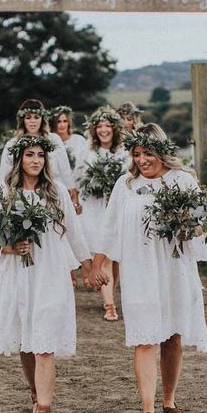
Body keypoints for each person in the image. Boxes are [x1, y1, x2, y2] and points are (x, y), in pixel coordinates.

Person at [90, 123, 207, 413]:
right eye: (136, 154)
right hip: (140, 269)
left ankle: (169, 400)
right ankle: (147, 409)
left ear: (162, 151)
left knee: (172, 336)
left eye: (148, 153)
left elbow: (201, 224)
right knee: (144, 337)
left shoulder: (182, 180)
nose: (142, 160)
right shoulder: (126, 185)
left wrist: (190, 227)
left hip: (174, 268)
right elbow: (109, 226)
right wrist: (97, 264)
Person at [0, 135, 94, 413]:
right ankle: (35, 393)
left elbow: (74, 230)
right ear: (18, 159)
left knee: (45, 343)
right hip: (18, 274)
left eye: (40, 156)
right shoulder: (2, 193)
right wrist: (9, 246)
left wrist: (88, 265)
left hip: (49, 274)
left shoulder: (56, 191)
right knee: (26, 342)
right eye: (30, 155)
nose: (36, 160)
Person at [80, 107, 130, 321]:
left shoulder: (124, 153)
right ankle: (109, 304)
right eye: (99, 126)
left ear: (114, 128)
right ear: (94, 130)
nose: (103, 130)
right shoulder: (90, 152)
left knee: (116, 258)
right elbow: (81, 179)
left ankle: (109, 293)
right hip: (95, 207)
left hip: (118, 206)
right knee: (104, 255)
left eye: (107, 126)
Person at [0, 99, 78, 204]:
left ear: (42, 119)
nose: (32, 121)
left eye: (36, 117)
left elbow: (65, 169)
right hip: (22, 197)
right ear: (23, 120)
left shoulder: (54, 139)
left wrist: (72, 192)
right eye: (28, 117)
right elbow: (4, 175)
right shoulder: (13, 144)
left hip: (52, 194)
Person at [50, 104, 88, 286]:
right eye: (58, 121)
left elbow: (83, 164)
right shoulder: (52, 141)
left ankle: (84, 266)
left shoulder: (79, 141)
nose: (62, 125)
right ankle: (70, 273)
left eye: (65, 121)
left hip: (76, 188)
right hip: (59, 189)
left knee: (77, 230)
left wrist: (76, 190)